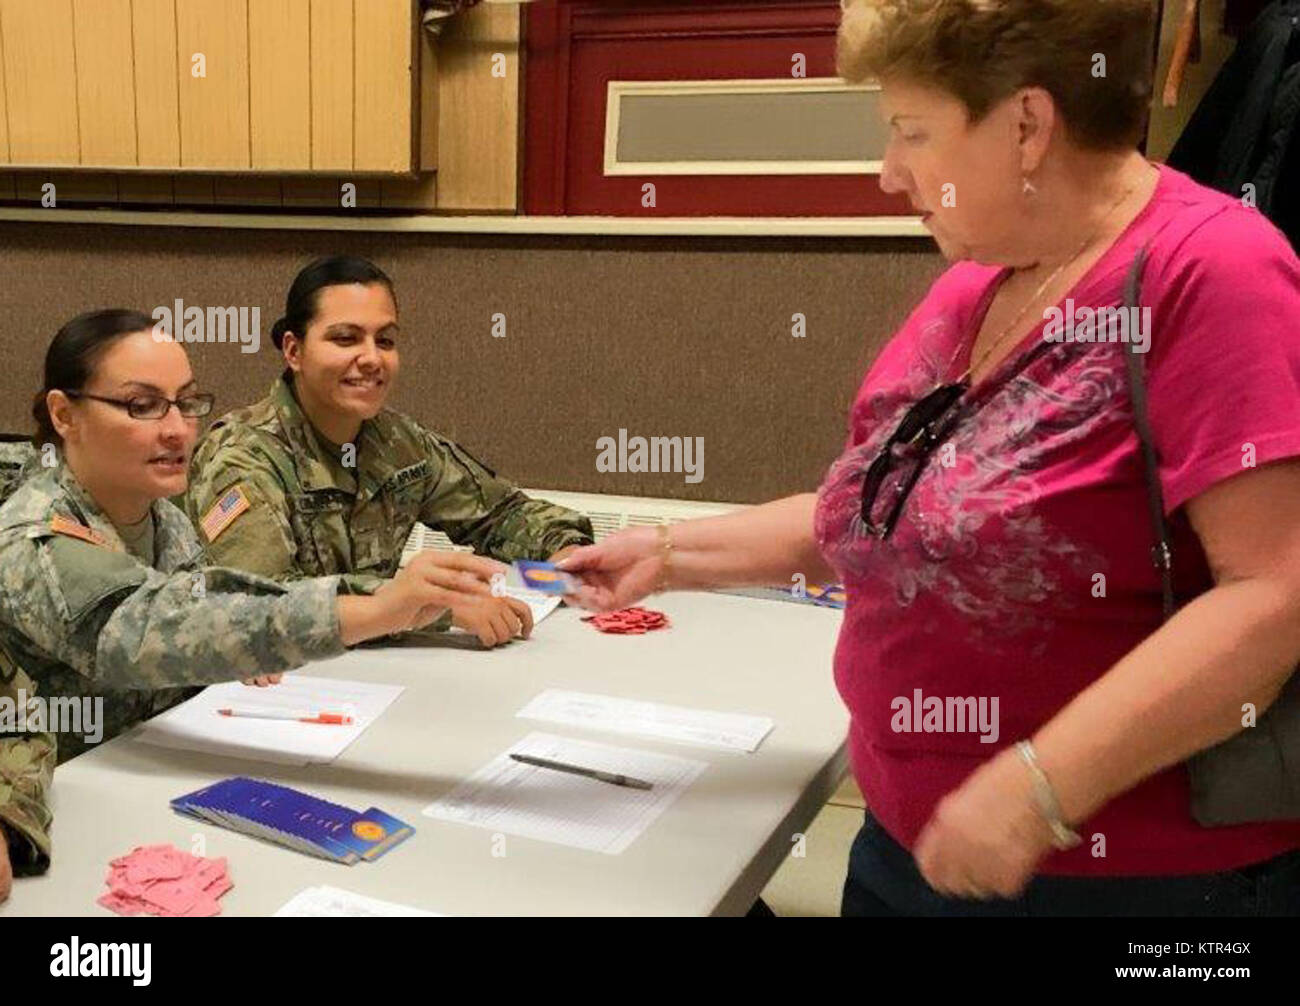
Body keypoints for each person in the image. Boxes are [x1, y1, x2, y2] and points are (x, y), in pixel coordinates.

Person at [561, 0, 1300, 916]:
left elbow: (1273, 595)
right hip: (913, 843)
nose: (887, 172)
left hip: (1117, 882)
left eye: (911, 131)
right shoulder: (978, 279)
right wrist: (670, 554)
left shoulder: (1215, 268)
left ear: (1027, 125)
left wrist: (1041, 789)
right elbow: (882, 508)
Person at [0, 309, 503, 902]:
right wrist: (372, 611)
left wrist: (243, 635)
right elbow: (153, 629)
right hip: (69, 817)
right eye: (142, 406)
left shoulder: (161, 514)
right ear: (64, 414)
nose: (178, 429)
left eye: (186, 403)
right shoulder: (33, 538)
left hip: (153, 781)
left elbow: (211, 596)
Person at [186, 256, 594, 648]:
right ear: (294, 351)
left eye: (385, 340)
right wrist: (433, 605)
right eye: (345, 338)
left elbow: (503, 513)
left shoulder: (396, 442)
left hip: (375, 678)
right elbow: (260, 605)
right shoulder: (243, 456)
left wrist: (564, 555)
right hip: (262, 690)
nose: (371, 358)